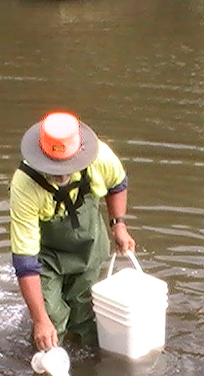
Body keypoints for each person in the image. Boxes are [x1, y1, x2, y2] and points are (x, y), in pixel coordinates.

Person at [9, 111, 136, 353]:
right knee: (51, 322)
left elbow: (118, 183)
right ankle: (47, 375)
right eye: (53, 166)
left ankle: (85, 365)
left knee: (84, 318)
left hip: (88, 249)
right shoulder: (24, 185)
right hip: (46, 258)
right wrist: (40, 321)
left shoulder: (101, 157)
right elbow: (25, 260)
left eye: (66, 165)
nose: (60, 172)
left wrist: (118, 224)